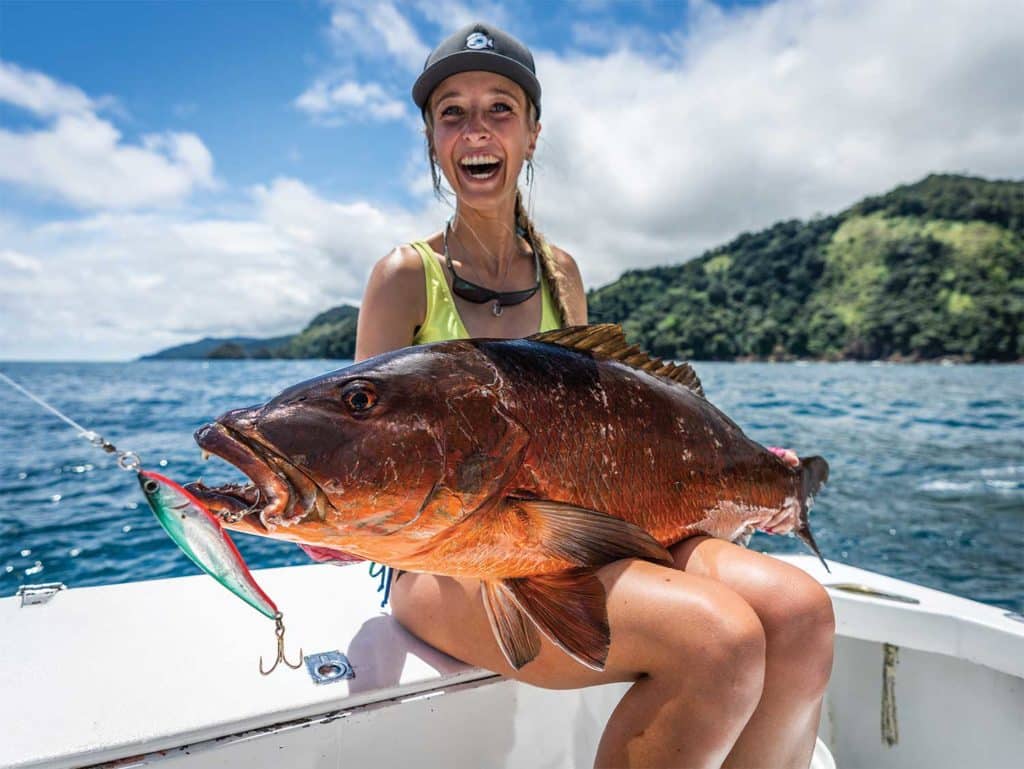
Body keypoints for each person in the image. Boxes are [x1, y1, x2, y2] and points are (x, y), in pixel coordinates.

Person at [354, 22, 834, 769]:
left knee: (802, 613)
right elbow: (366, 444)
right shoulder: (402, 277)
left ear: (533, 133)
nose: (475, 130)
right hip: (448, 562)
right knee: (720, 640)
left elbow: (601, 432)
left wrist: (731, 480)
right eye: (452, 112)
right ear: (431, 137)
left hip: (570, 539)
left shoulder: (562, 274)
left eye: (498, 109)